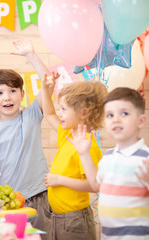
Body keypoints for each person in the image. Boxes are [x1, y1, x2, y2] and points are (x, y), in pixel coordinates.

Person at [0, 39, 58, 239]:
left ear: (22, 94)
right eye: (0, 93)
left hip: (38, 195)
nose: (7, 97)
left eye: (13, 91)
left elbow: (48, 84)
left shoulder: (31, 115)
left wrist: (31, 55)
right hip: (7, 201)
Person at [68, 87, 149, 239]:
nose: (116, 119)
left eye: (124, 113)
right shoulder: (108, 156)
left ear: (141, 121)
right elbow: (95, 185)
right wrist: (84, 154)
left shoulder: (147, 158)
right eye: (110, 115)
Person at [41, 76, 107, 239]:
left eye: (64, 109)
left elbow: (95, 186)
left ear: (83, 113)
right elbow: (48, 113)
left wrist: (60, 180)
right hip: (60, 217)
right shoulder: (68, 135)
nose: (59, 113)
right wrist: (45, 89)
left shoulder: (88, 146)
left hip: (74, 219)